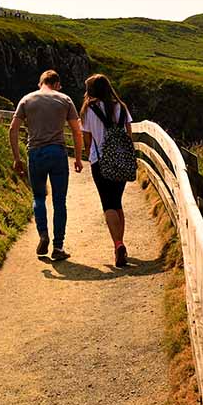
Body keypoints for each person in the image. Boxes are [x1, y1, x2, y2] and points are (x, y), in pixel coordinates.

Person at [10, 70, 84, 261]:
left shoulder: (26, 100)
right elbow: (77, 131)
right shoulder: (65, 99)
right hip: (58, 153)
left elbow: (13, 128)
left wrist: (17, 158)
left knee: (39, 197)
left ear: (40, 83)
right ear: (57, 84)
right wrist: (77, 158)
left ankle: (43, 234)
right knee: (60, 201)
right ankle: (58, 247)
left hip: (35, 152)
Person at [80, 74, 134, 267]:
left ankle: (118, 244)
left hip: (100, 161)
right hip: (121, 161)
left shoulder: (88, 110)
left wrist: (90, 156)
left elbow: (86, 138)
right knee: (117, 202)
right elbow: (129, 135)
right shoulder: (122, 107)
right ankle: (119, 244)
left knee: (107, 204)